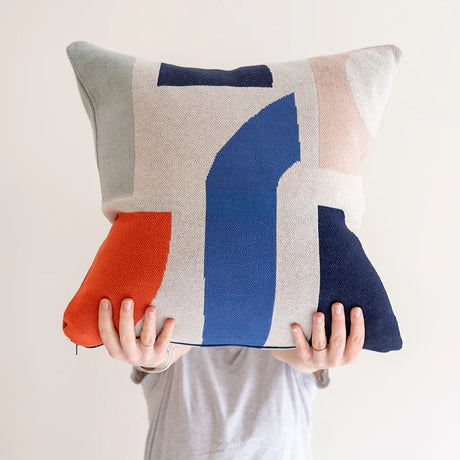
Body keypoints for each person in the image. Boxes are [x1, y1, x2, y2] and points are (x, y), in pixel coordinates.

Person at [98, 298, 365, 460]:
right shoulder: (169, 333)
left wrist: (308, 357)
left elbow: (303, 359)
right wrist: (154, 356)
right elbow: (157, 358)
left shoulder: (296, 325)